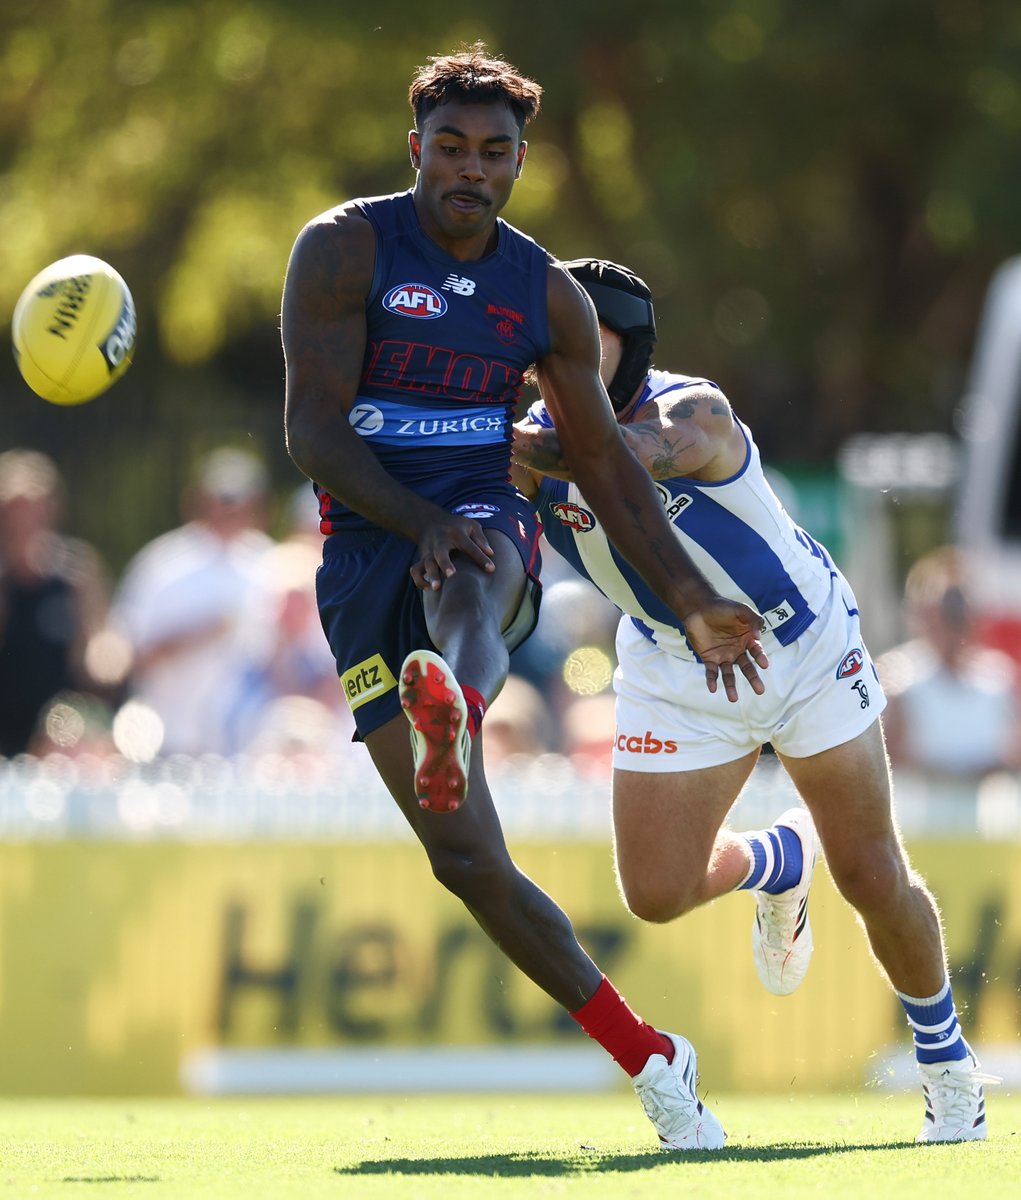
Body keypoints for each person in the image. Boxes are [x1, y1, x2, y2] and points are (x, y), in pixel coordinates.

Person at [281, 44, 772, 1151]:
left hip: (480, 515)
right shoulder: (342, 248)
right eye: (449, 148)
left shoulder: (540, 290)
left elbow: (602, 464)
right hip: (366, 545)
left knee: (477, 576)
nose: (470, 170)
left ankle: (453, 693)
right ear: (415, 148)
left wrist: (691, 596)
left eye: (493, 153)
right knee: (465, 863)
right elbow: (311, 433)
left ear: (519, 163)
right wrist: (418, 522)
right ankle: (653, 1056)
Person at [511, 258, 995, 1145]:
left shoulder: (688, 414)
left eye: (587, 340)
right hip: (671, 661)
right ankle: (776, 863)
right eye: (549, 341)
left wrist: (459, 428)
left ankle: (947, 1065)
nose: (562, 358)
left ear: (631, 347)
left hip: (799, 644)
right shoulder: (528, 432)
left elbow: (606, 458)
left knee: (870, 873)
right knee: (653, 894)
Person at [110, 446, 275, 757]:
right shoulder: (163, 563)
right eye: (222, 500)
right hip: (166, 738)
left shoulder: (269, 563)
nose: (229, 510)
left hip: (247, 746)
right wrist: (202, 632)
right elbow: (126, 652)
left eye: (238, 501)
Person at [0, 449, 111, 757]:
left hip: (61, 733)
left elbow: (100, 650)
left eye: (33, 507)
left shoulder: (77, 573)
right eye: (15, 508)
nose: (25, 518)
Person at [878, 545, 1021, 781]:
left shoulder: (998, 677)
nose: (953, 624)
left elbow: (1011, 751)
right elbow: (890, 757)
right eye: (945, 611)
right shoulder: (898, 677)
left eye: (960, 610)